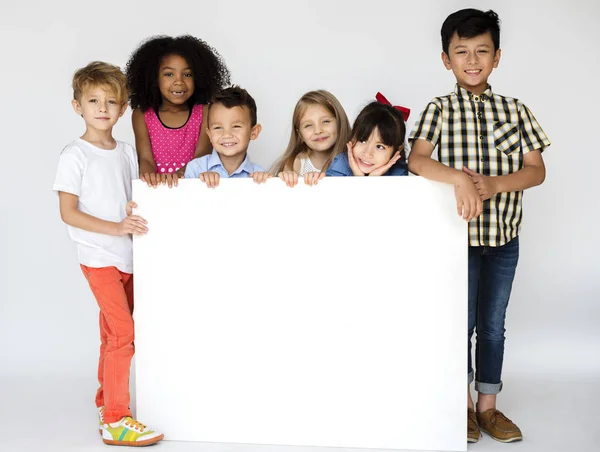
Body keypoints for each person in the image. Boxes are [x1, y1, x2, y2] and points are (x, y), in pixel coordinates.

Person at [407, 9, 551, 444]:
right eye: (461, 52)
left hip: (504, 240)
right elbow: (416, 160)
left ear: (497, 56)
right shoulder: (439, 109)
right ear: (446, 59)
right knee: (461, 324)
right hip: (458, 242)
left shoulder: (515, 110)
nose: (472, 60)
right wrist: (457, 178)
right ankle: (463, 406)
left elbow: (536, 170)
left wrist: (493, 184)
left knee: (493, 325)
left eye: (482, 51)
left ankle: (488, 406)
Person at [53, 61, 163, 447]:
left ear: (122, 107)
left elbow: (130, 199)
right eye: (93, 100)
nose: (102, 107)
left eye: (111, 101)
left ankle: (105, 401)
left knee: (112, 334)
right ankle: (116, 419)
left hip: (130, 257)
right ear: (77, 106)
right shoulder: (75, 155)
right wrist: (116, 228)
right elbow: (69, 212)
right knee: (123, 335)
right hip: (98, 256)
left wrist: (132, 213)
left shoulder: (127, 152)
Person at [126, 35, 230, 187]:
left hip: (193, 187)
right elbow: (146, 159)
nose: (179, 81)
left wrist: (180, 175)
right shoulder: (142, 114)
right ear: (153, 78)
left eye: (187, 74)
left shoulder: (205, 111)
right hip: (157, 190)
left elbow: (202, 156)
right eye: (169, 74)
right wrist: (149, 179)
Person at [185, 86, 270, 186]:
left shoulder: (261, 176)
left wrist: (263, 186)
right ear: (209, 135)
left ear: (253, 132)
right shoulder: (196, 169)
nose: (227, 135)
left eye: (236, 126)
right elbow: (186, 200)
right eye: (218, 128)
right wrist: (201, 185)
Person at [271, 90, 350, 187]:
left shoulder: (354, 160)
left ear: (339, 122)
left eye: (325, 121)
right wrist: (287, 178)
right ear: (300, 134)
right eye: (308, 125)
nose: (318, 130)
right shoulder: (296, 163)